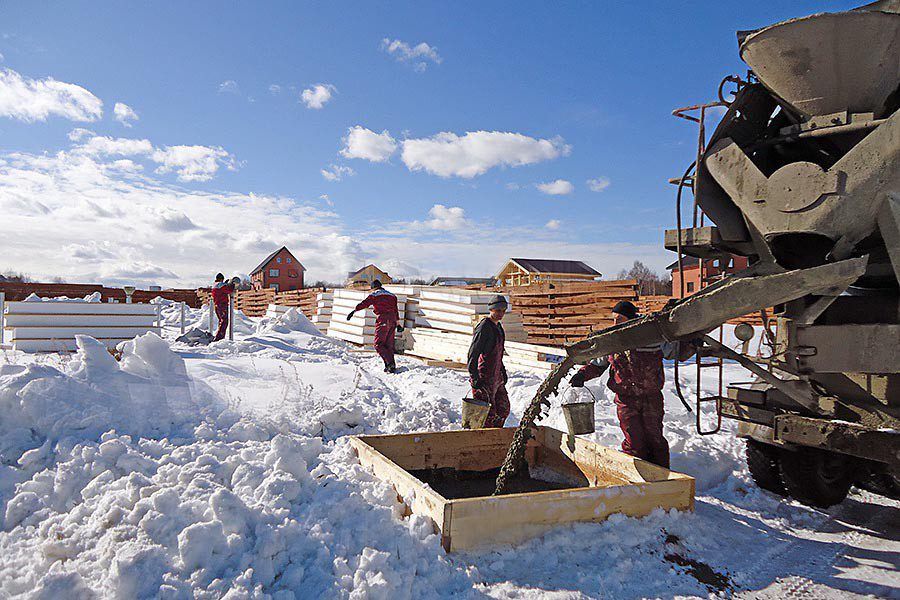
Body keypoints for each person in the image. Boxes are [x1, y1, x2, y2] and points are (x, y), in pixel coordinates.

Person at [569, 300, 673, 468]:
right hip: (626, 399)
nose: (615, 323)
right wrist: (582, 375)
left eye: (619, 319)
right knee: (634, 441)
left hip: (651, 397)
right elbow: (598, 364)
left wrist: (691, 343)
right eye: (614, 319)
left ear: (631, 319)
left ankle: (664, 479)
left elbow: (673, 350)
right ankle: (637, 479)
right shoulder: (612, 341)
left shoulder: (651, 335)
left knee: (655, 440)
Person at [466, 295, 511, 428]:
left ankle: (495, 436)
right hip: (484, 376)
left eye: (503, 310)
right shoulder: (484, 327)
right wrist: (474, 378)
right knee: (487, 415)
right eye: (498, 310)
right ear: (491, 310)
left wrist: (502, 371)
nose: (501, 313)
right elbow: (473, 353)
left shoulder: (499, 328)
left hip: (496, 376)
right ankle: (483, 441)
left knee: (503, 409)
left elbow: (499, 353)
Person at [347, 280, 401, 373]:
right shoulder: (392, 296)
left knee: (378, 344)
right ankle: (390, 365)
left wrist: (354, 311)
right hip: (392, 320)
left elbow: (364, 303)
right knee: (388, 345)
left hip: (383, 319)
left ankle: (390, 363)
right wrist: (398, 324)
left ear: (373, 288)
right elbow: (396, 310)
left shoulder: (375, 295)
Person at [210, 273, 236, 342]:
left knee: (221, 321)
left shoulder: (215, 285)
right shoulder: (221, 285)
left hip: (217, 305)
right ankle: (219, 339)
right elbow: (229, 290)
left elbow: (221, 291)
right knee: (224, 322)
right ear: (222, 279)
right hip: (222, 305)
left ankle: (219, 337)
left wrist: (226, 284)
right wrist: (232, 284)